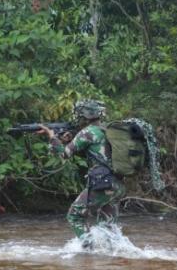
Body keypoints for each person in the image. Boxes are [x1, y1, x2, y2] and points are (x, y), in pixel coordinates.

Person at [36, 99, 125, 245]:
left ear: (84, 115)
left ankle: (88, 250)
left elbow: (64, 154)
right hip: (118, 185)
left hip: (103, 184)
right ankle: (114, 257)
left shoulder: (87, 132)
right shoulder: (107, 130)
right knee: (107, 226)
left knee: (75, 216)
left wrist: (52, 137)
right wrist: (67, 139)